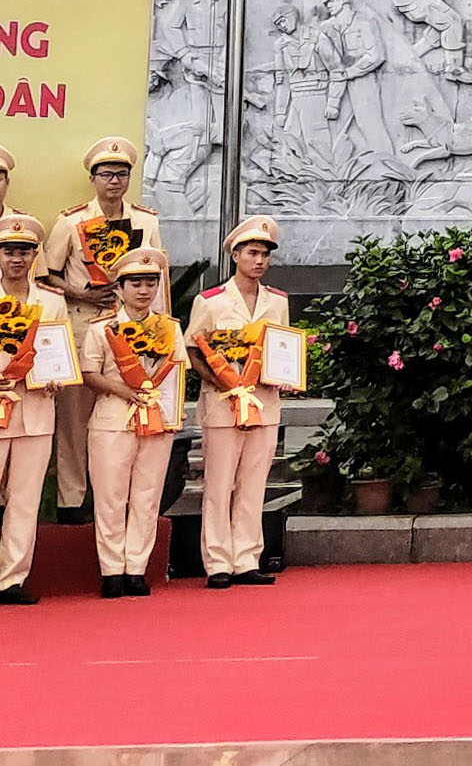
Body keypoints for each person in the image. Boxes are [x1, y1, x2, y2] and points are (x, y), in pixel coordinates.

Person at [36, 137, 161, 524]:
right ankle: (72, 502)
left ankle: (114, 501)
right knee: (74, 424)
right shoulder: (72, 221)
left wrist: (160, 332)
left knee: (124, 418)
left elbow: (157, 279)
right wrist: (81, 292)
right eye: (106, 174)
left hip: (131, 334)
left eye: (122, 174)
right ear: (92, 178)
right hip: (81, 326)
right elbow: (47, 274)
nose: (114, 181)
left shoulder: (146, 222)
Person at [186, 215, 290, 589]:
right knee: (219, 484)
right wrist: (222, 382)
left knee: (253, 484)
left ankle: (246, 557)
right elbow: (192, 350)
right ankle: (217, 561)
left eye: (264, 254)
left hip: (263, 401)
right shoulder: (210, 301)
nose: (259, 261)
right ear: (235, 255)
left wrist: (286, 375)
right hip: (223, 402)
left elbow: (283, 347)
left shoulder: (277, 301)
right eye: (252, 253)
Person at [79, 245, 184, 598]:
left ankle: (137, 567)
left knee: (147, 495)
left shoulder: (169, 328)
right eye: (135, 283)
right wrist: (125, 390)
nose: (143, 290)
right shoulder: (102, 328)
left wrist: (170, 412)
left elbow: (176, 374)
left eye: (150, 283)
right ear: (120, 288)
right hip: (113, 418)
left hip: (156, 419)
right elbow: (89, 373)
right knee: (110, 496)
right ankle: (111, 569)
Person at [0, 212, 66, 604]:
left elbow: (60, 353)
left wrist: (58, 376)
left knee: (25, 500)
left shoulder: (51, 302)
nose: (17, 259)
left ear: (34, 255)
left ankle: (11, 579)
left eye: (24, 252)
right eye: (9, 251)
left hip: (36, 409)